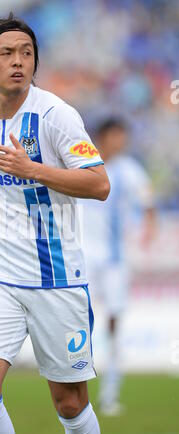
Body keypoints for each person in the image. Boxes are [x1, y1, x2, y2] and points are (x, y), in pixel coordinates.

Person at [0, 13, 110, 434]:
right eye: (7, 53)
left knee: (70, 403)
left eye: (27, 52)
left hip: (55, 278)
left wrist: (32, 169)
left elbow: (99, 184)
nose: (19, 61)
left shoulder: (57, 115)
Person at [83, 118, 155, 416]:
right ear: (102, 137)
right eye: (115, 136)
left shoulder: (130, 171)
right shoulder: (82, 164)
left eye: (123, 136)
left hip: (114, 260)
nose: (120, 142)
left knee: (114, 323)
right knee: (77, 321)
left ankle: (110, 393)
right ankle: (76, 393)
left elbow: (149, 205)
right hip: (83, 256)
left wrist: (148, 231)